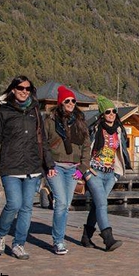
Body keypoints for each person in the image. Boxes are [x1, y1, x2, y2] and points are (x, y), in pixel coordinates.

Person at [0, 76, 55, 260]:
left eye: (28, 88)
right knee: (13, 204)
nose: (24, 91)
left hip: (32, 166)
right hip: (11, 167)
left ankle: (19, 244)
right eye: (20, 88)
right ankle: (0, 234)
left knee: (26, 208)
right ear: (13, 90)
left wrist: (49, 164)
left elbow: (43, 141)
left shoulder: (35, 113)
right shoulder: (3, 113)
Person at [44, 85, 91, 254]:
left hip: (73, 168)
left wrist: (82, 168)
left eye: (73, 101)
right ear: (60, 103)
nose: (71, 103)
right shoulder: (49, 121)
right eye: (67, 101)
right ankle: (58, 241)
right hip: (55, 166)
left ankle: (59, 238)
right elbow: (43, 144)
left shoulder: (79, 121)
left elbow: (86, 147)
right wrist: (48, 165)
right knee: (61, 202)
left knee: (65, 205)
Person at [83, 95, 132, 251]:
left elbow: (122, 151)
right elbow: (84, 149)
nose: (111, 114)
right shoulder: (95, 129)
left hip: (110, 174)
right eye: (107, 112)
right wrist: (85, 171)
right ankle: (108, 238)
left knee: (97, 205)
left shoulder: (119, 130)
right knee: (102, 204)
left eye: (113, 111)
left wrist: (117, 174)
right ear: (102, 114)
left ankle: (86, 236)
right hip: (95, 172)